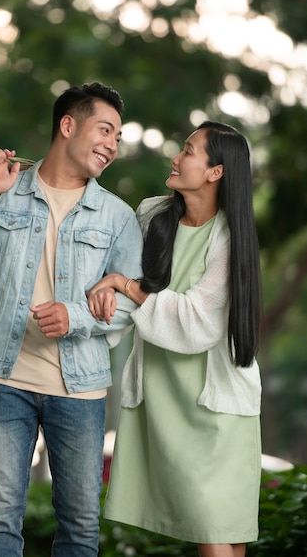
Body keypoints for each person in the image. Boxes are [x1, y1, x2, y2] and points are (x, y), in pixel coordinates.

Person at [0, 81, 143, 557]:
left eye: (118, 137)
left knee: (81, 528)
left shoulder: (117, 217)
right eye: (105, 130)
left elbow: (131, 302)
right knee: (0, 521)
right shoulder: (4, 190)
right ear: (67, 125)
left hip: (81, 388)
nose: (112, 144)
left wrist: (76, 317)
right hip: (5, 380)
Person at [87, 121, 262, 557]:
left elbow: (198, 320)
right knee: (219, 535)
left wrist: (126, 285)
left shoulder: (229, 236)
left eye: (188, 151)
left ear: (215, 172)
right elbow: (103, 257)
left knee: (221, 532)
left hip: (215, 406)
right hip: (163, 397)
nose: (176, 157)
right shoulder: (150, 216)